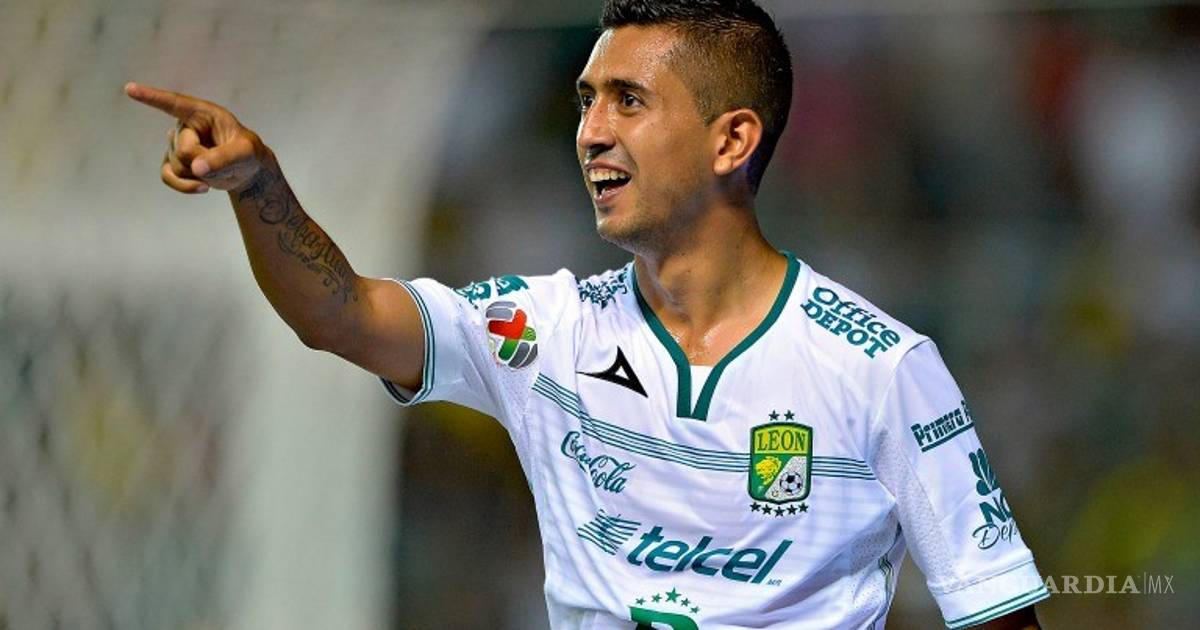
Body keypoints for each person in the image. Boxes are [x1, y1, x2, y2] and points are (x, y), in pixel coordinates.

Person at [126, 1, 1049, 627]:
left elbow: (995, 609)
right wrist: (259, 188)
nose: (590, 131)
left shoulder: (880, 367)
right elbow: (341, 314)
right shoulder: (546, 334)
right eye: (585, 101)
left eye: (628, 101)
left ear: (732, 139)